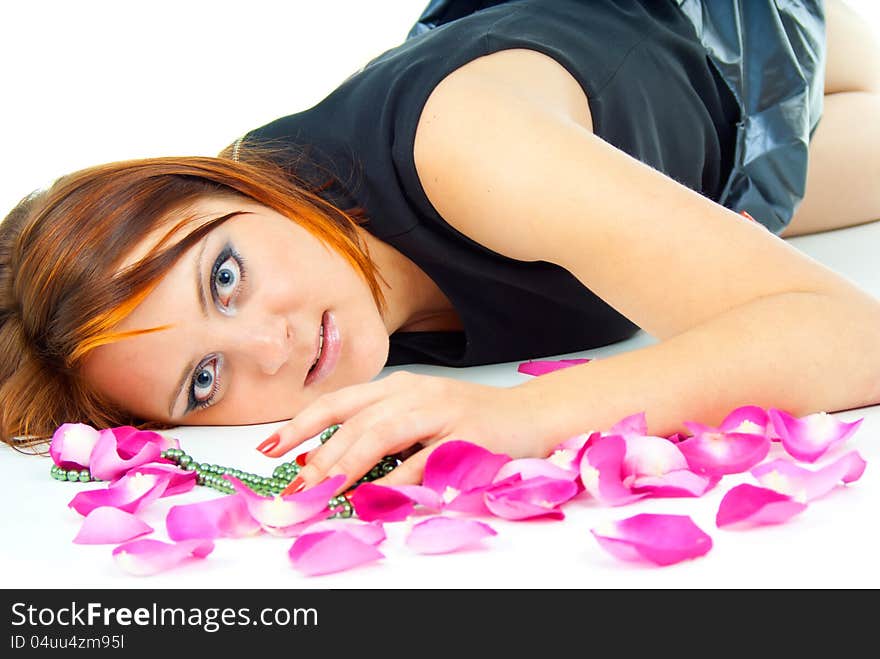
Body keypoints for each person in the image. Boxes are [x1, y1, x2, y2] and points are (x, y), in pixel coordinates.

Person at [2, 0, 879, 496]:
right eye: (204, 381)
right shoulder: (322, 293)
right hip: (723, 178)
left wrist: (530, 416)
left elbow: (857, 338)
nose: (273, 346)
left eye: (224, 278)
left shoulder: (474, 146)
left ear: (231, 183)